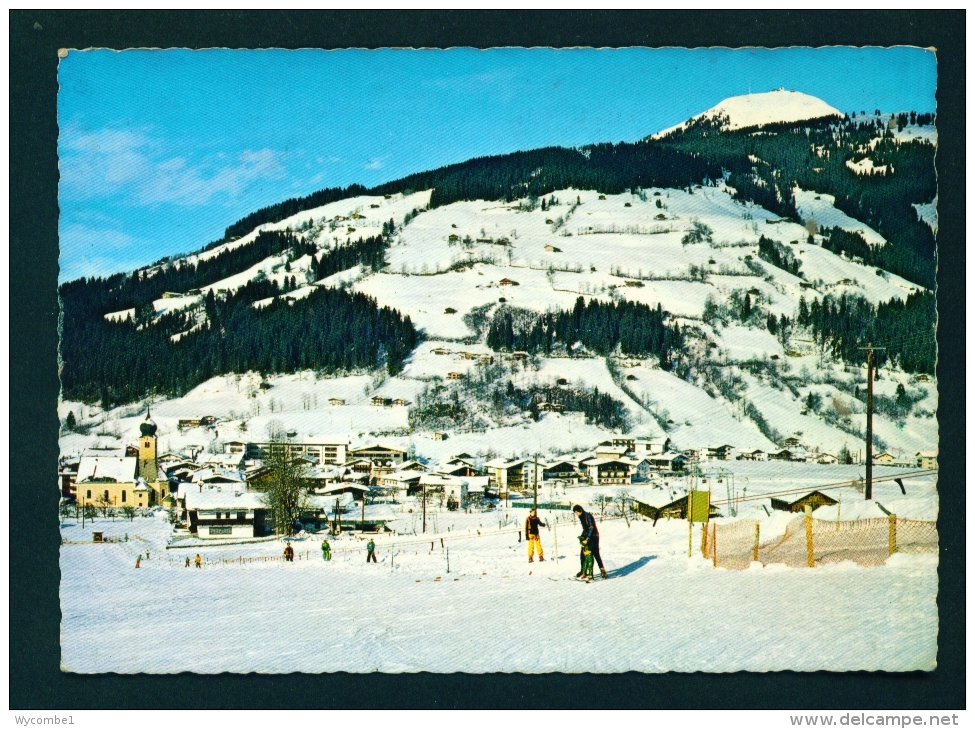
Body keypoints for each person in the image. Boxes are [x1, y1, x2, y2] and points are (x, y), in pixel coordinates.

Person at [572, 504, 607, 579]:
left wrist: (587, 538)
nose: (576, 514)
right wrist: (582, 537)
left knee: (595, 553)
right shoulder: (581, 517)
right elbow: (585, 529)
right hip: (587, 536)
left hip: (594, 536)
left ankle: (602, 570)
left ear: (580, 510)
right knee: (583, 553)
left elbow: (591, 528)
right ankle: (583, 571)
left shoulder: (587, 516)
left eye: (577, 512)